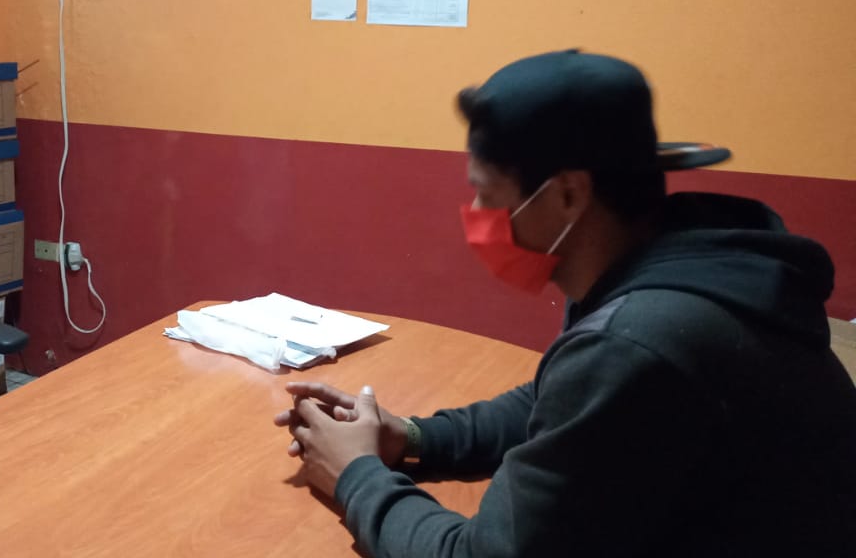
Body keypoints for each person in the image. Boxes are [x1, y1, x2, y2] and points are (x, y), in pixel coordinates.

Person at [273, 50, 856, 557]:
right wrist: (415, 437)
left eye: (486, 192)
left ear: (569, 194)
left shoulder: (639, 341)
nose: (478, 215)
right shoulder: (670, 265)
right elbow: (556, 399)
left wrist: (354, 474)